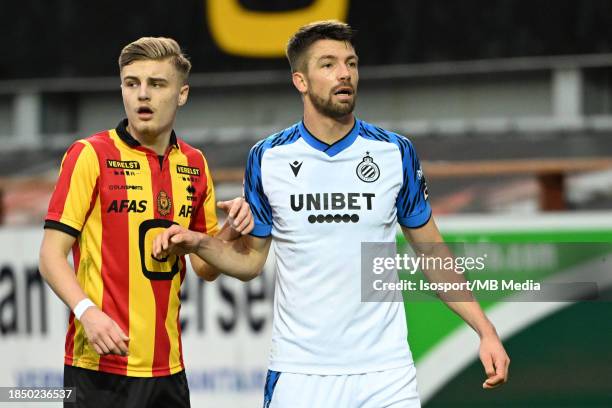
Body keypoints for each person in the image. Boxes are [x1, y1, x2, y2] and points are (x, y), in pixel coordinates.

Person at [153, 21, 510, 408]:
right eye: (328, 64)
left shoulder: (395, 153)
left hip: (386, 375)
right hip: (300, 374)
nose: (344, 73)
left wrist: (485, 329)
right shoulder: (268, 158)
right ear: (300, 81)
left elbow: (434, 255)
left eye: (351, 63)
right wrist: (197, 242)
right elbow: (251, 262)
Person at [38, 37, 253, 408]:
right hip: (98, 368)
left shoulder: (194, 164)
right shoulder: (90, 155)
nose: (142, 95)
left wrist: (234, 224)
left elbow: (205, 266)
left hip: (168, 370)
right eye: (131, 83)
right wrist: (87, 313)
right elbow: (50, 256)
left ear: (181, 94)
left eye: (156, 84)